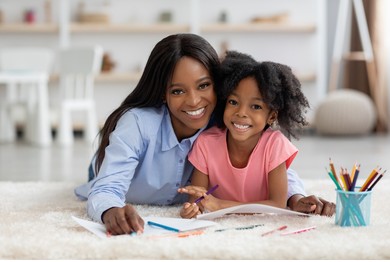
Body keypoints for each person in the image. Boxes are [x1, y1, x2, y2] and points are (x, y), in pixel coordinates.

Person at [74, 34, 334, 236]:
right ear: (162, 93)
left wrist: (295, 198)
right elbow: (108, 188)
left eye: (204, 86)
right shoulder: (138, 123)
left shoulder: (225, 120)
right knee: (99, 179)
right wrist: (110, 211)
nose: (194, 101)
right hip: (110, 169)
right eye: (177, 91)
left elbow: (267, 160)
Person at [179, 51, 335, 218]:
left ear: (272, 116)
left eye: (256, 106)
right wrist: (193, 208)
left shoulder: (275, 144)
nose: (241, 113)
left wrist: (221, 205)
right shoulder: (205, 143)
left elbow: (277, 204)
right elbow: (197, 199)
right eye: (233, 102)